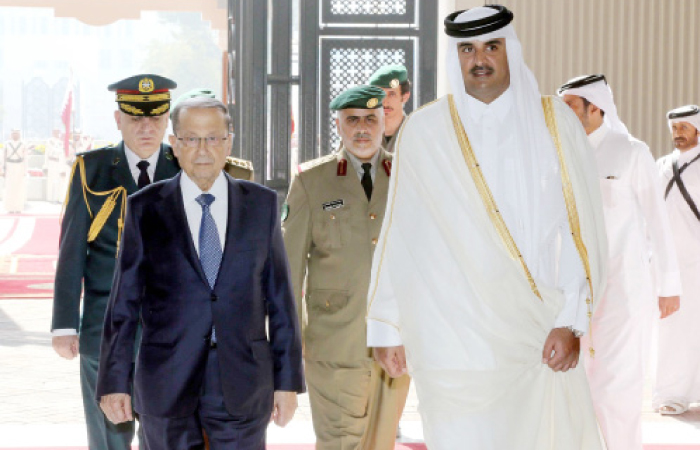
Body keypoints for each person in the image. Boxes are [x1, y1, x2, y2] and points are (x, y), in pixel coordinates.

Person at [367, 6, 608, 449]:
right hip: (448, 334)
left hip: (533, 329)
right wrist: (387, 327)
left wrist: (572, 321)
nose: (480, 59)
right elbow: (400, 232)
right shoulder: (425, 130)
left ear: (510, 50)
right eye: (468, 49)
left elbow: (583, 233)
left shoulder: (555, 125)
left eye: (491, 46)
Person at [96, 96, 304, 450]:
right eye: (191, 138)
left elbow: (281, 300)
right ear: (174, 144)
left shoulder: (261, 205)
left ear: (228, 141)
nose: (203, 149)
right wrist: (114, 381)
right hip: (166, 380)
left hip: (243, 379)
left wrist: (287, 381)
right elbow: (123, 304)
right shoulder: (146, 207)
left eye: (213, 138)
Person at [51, 74, 181, 450]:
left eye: (155, 117)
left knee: (166, 433)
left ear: (167, 118)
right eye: (136, 117)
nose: (146, 127)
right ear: (117, 119)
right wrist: (63, 324)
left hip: (171, 327)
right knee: (109, 436)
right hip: (105, 325)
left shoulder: (185, 166)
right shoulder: (91, 169)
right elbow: (72, 249)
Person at [558, 74, 681, 449]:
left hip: (625, 289)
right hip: (574, 290)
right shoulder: (561, 152)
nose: (564, 118)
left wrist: (669, 285)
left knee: (617, 386)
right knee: (574, 384)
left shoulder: (631, 151)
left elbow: (659, 222)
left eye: (571, 109)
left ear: (596, 108)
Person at [282, 85, 409, 449]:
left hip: (397, 339)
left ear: (386, 121)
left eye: (372, 118)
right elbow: (290, 269)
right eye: (352, 120)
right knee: (341, 443)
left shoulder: (406, 174)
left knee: (381, 443)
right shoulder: (311, 180)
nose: (362, 128)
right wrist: (293, 341)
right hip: (336, 341)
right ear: (338, 125)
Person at [655, 104, 700, 415]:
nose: (678, 134)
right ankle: (673, 394)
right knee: (672, 330)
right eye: (674, 128)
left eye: (684, 127)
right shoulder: (660, 166)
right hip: (669, 264)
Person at [368, 64, 411, 153]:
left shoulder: (416, 133)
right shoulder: (360, 133)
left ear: (405, 97)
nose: (385, 101)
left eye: (391, 94)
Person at [3, 129, 28, 213]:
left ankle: (18, 208)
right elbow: (3, 158)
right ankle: (9, 208)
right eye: (13, 134)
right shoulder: (7, 144)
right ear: (11, 135)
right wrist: (2, 170)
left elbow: (25, 158)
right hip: (9, 167)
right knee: (9, 188)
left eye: (17, 134)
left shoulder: (23, 144)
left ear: (19, 135)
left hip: (19, 167)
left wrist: (25, 170)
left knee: (19, 188)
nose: (15, 135)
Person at [45, 128, 67, 203]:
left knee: (60, 181)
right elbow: (49, 152)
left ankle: (59, 198)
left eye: (58, 132)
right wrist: (46, 165)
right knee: (52, 181)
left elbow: (63, 154)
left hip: (60, 162)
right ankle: (51, 199)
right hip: (52, 162)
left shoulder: (62, 142)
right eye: (55, 132)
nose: (57, 134)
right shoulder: (50, 141)